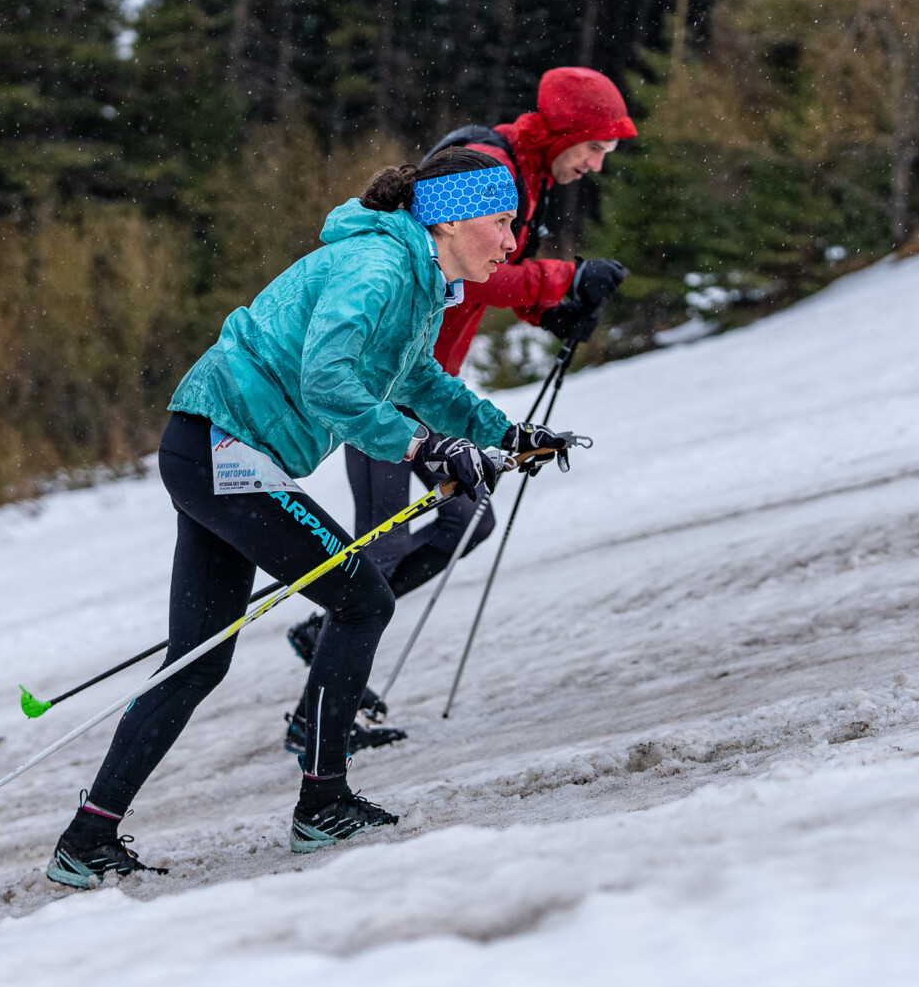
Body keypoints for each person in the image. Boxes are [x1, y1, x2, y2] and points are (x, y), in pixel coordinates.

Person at [45, 147, 581, 887]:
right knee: (362, 599)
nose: (512, 239)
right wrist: (428, 445)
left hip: (213, 447)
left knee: (200, 658)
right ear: (454, 219)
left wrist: (504, 433)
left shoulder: (418, 279)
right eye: (502, 221)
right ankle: (322, 803)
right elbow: (326, 382)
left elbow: (417, 378)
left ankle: (86, 841)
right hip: (225, 451)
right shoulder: (380, 268)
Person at [282, 67, 637, 749]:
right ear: (565, 133)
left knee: (466, 518)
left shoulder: (526, 178)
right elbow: (469, 273)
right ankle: (316, 720)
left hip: (425, 382)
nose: (594, 165)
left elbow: (478, 279)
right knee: (382, 542)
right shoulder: (493, 164)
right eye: (593, 148)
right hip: (384, 383)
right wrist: (563, 277)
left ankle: (325, 633)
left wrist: (551, 313)